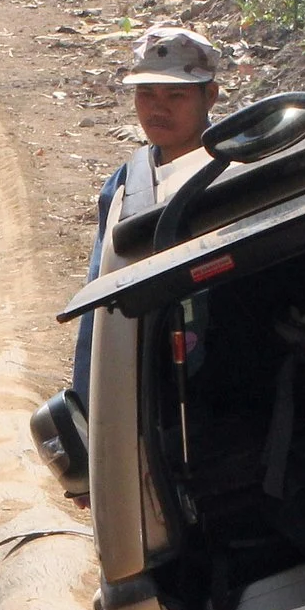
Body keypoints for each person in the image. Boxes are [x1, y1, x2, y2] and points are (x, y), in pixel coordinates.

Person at [72, 25, 224, 399]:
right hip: (149, 382)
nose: (158, 108)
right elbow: (102, 301)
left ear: (211, 96)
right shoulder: (127, 185)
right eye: (146, 93)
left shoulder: (234, 173)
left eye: (176, 94)